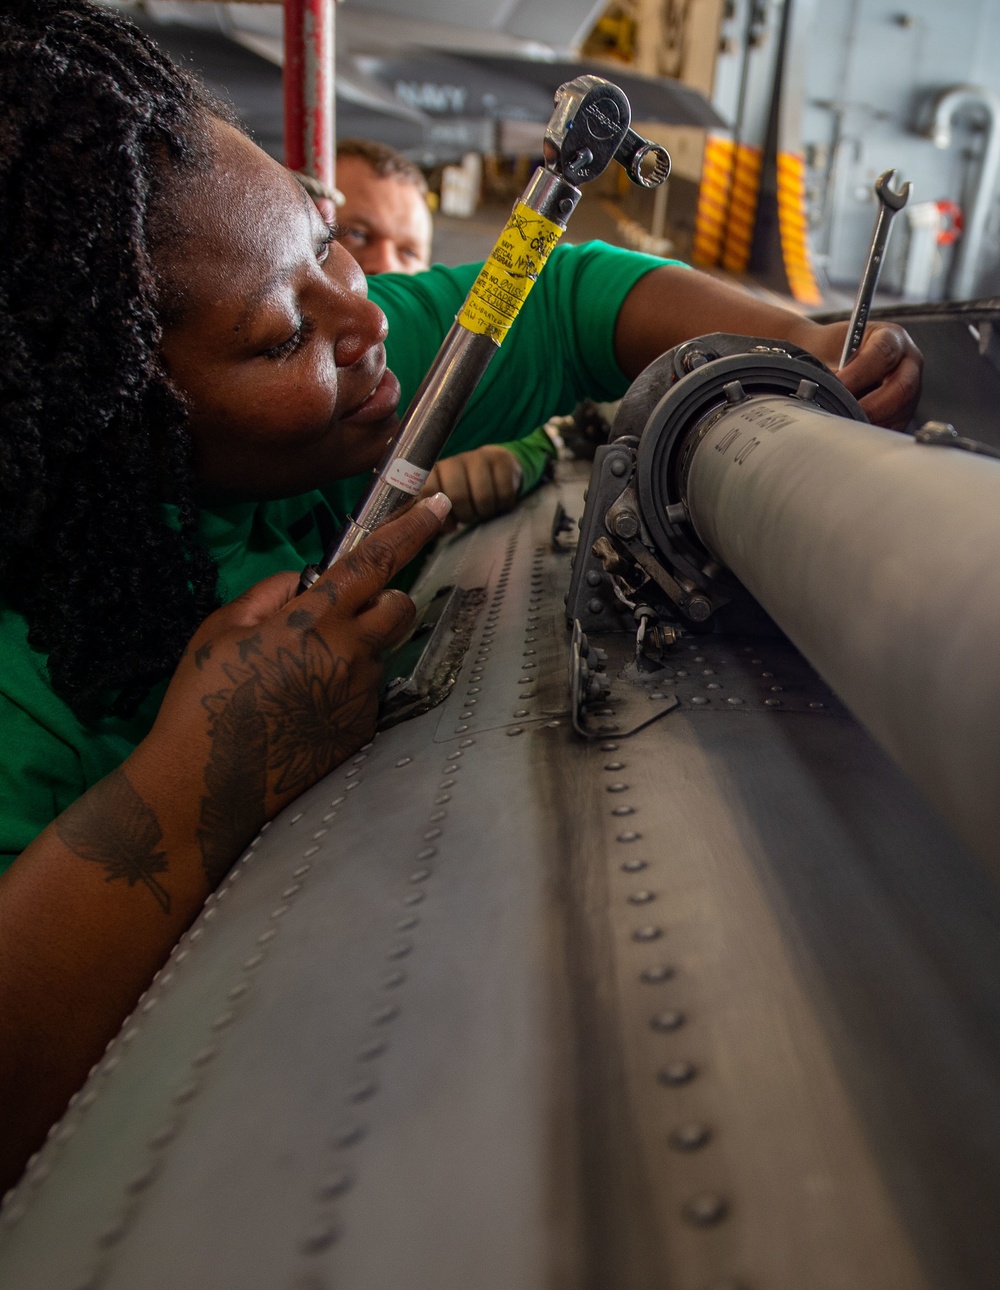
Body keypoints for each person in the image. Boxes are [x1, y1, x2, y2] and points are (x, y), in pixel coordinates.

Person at [0, 0, 920, 1190]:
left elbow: (570, 292)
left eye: (325, 238)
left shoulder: (352, 373)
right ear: (114, 426)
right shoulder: (27, 681)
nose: (364, 313)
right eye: (284, 337)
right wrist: (193, 788)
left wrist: (790, 347)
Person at [335, 136, 556, 525]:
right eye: (357, 235)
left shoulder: (440, 370)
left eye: (408, 252)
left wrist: (510, 457)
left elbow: (530, 428)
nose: (386, 265)